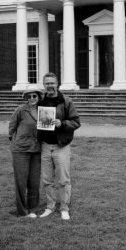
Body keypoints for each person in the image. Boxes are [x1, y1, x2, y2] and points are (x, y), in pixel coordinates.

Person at [38, 72, 81, 221]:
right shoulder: (40, 101)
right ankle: (50, 206)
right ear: (44, 85)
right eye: (47, 83)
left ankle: (64, 208)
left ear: (57, 84)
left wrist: (61, 124)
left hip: (61, 146)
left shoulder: (66, 101)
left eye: (52, 83)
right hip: (44, 146)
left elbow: (76, 122)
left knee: (63, 179)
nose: (50, 86)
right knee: (47, 180)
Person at [8, 87, 43, 218]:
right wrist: (14, 140)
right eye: (29, 96)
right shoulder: (21, 110)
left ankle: (33, 209)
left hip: (36, 149)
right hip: (20, 150)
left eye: (34, 96)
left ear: (38, 97)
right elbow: (11, 127)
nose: (32, 99)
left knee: (34, 181)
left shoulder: (43, 111)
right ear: (26, 98)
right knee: (21, 181)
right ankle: (22, 211)